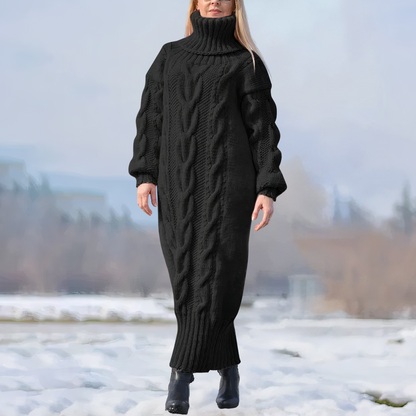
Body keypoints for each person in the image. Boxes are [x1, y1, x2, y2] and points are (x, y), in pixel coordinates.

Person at [128, 0, 287, 413]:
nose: (214, 1)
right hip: (176, 188)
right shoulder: (169, 56)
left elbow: (263, 131)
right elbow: (151, 119)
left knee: (218, 279)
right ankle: (229, 367)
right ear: (196, 4)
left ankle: (180, 375)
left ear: (235, 5)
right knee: (187, 280)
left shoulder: (247, 63)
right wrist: (145, 174)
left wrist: (267, 188)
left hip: (230, 188)